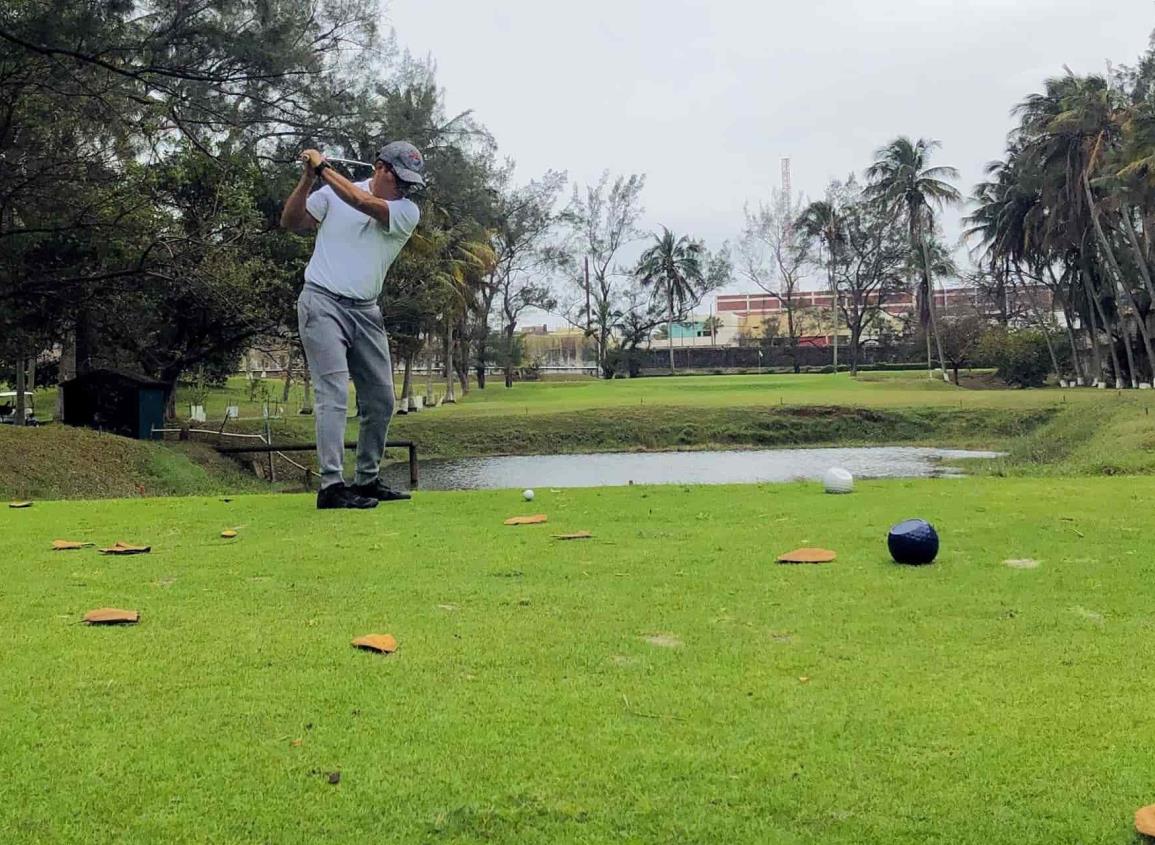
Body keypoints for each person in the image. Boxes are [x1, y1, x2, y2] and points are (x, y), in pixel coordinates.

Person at [280, 142, 425, 509]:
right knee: (333, 395)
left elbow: (363, 205)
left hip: (366, 310)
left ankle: (366, 479)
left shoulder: (405, 211)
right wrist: (307, 179)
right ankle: (331, 486)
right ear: (380, 168)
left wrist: (324, 166)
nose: (405, 188)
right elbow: (291, 222)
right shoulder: (329, 192)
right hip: (321, 302)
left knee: (381, 399)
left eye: (410, 183)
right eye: (400, 179)